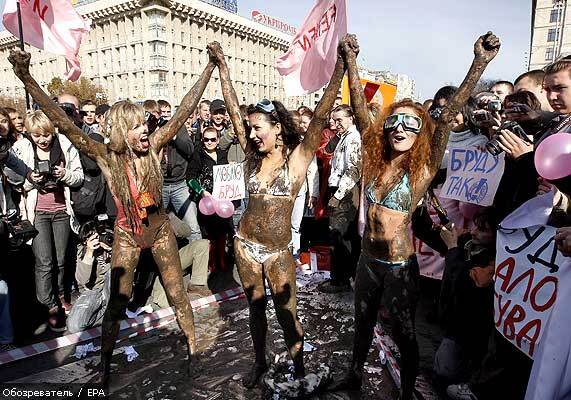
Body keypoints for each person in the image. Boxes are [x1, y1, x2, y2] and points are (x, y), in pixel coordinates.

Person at [9, 42, 218, 384]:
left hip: (160, 229)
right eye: (136, 127)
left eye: (144, 125)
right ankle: (105, 367)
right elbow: (63, 121)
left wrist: (209, 67)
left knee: (178, 293)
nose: (145, 131)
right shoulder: (106, 156)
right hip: (126, 234)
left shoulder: (155, 145)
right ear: (121, 130)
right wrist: (27, 77)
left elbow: (184, 109)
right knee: (116, 305)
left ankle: (193, 349)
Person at [329, 33, 500, 400]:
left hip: (397, 267)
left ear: (422, 133)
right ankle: (353, 376)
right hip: (367, 261)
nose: (401, 129)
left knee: (404, 332)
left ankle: (407, 392)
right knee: (362, 325)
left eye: (411, 124)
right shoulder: (375, 165)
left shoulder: (421, 171)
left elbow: (450, 113)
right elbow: (361, 110)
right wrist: (352, 60)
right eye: (395, 123)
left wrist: (479, 63)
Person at [211, 38, 346, 387]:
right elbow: (232, 110)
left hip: (277, 252)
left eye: (259, 128)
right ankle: (259, 362)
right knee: (255, 309)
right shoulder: (253, 157)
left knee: (287, 315)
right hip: (245, 245)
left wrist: (343, 65)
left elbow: (319, 116)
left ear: (277, 128)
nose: (253, 135)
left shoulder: (297, 160)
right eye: (251, 128)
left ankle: (299, 368)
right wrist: (223, 68)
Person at [10, 110, 84, 331]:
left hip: (62, 209)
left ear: (53, 132)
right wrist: (32, 179)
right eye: (36, 135)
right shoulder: (22, 148)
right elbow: (14, 182)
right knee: (44, 262)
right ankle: (49, 305)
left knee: (61, 260)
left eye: (46, 135)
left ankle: (61, 295)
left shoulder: (64, 144)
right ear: (30, 134)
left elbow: (78, 176)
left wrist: (64, 175)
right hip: (37, 213)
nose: (42, 140)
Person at [318, 103, 362, 293]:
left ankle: (340, 280)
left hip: (346, 192)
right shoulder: (343, 137)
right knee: (342, 236)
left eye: (340, 120)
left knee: (339, 236)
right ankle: (345, 277)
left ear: (351, 118)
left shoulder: (353, 138)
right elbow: (326, 151)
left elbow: (353, 169)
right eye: (334, 121)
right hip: (340, 190)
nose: (336, 124)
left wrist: (338, 195)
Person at [188, 126, 232, 272]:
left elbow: (228, 176)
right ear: (202, 139)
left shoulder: (222, 154)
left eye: (213, 139)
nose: (209, 142)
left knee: (222, 232)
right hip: (205, 202)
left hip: (222, 201)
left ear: (218, 140)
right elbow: (190, 177)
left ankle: (221, 259)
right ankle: (210, 262)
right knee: (208, 234)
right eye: (206, 139)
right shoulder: (197, 155)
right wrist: (201, 191)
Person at [66, 219, 112, 333]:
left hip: (110, 288)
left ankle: (110, 311)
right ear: (85, 241)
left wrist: (111, 249)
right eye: (92, 239)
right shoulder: (81, 251)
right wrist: (90, 252)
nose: (97, 240)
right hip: (93, 291)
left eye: (98, 237)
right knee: (74, 326)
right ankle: (107, 314)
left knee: (113, 272)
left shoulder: (109, 240)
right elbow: (82, 279)